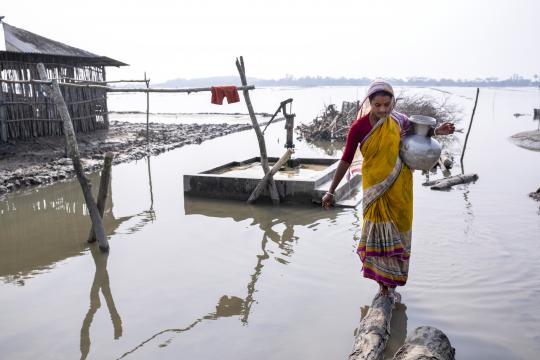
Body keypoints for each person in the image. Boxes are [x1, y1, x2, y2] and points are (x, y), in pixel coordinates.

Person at [321, 80, 455, 298]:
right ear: (369, 103)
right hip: (375, 187)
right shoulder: (359, 127)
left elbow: (419, 136)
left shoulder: (400, 120)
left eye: (386, 104)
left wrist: (438, 131)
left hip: (400, 184)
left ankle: (392, 282)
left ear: (392, 102)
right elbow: (345, 159)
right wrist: (331, 190)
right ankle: (383, 285)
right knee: (377, 232)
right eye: (377, 105)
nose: (382, 110)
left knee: (399, 230)